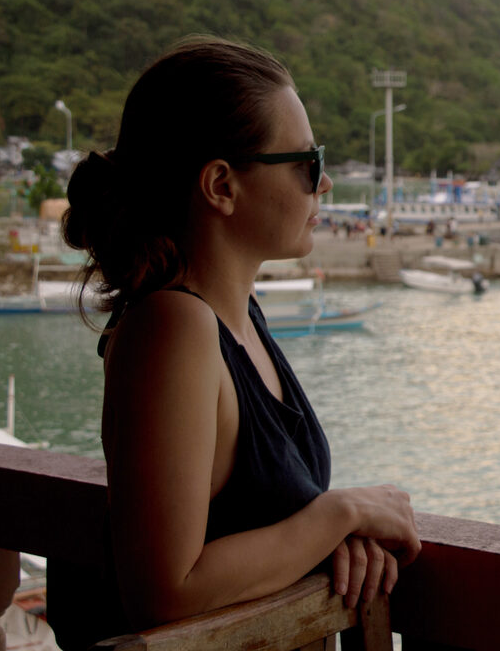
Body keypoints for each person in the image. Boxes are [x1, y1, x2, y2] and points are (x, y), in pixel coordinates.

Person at [57, 38, 420, 649]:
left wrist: (326, 534)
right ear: (222, 185)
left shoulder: (240, 318)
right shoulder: (173, 328)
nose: (324, 183)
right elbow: (165, 589)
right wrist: (341, 514)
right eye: (307, 162)